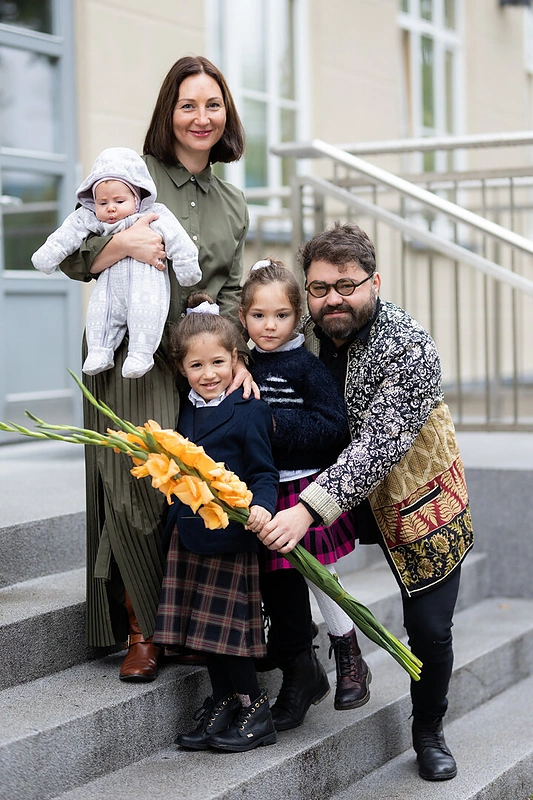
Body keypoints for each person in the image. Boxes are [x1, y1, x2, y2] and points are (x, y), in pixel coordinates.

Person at [258, 222, 474, 782]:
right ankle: (305, 669)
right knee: (278, 560)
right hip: (333, 485)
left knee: (429, 628)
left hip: (414, 496)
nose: (333, 298)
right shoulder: (300, 332)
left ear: (374, 282)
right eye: (320, 287)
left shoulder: (407, 344)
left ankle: (428, 729)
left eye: (346, 285)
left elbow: (379, 444)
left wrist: (305, 509)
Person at [58, 56, 250, 682]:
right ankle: (141, 629)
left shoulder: (232, 201)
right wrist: (124, 246)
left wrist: (235, 356)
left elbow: (230, 289)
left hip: (199, 363)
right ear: (168, 112)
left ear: (227, 115)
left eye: (212, 105)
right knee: (137, 487)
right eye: (188, 105)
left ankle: (185, 623)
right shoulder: (137, 179)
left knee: (190, 489)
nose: (201, 118)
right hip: (127, 361)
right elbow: (74, 249)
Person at [238, 258, 371, 727]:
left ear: (299, 317)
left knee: (319, 575)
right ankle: (298, 666)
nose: (269, 326)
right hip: (264, 488)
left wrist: (273, 424)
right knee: (277, 580)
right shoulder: (240, 364)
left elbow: (334, 428)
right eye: (258, 316)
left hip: (305, 488)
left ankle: (348, 650)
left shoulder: (306, 367)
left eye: (281, 316)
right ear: (242, 317)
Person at [154, 294, 279, 752]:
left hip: (229, 537)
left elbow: (264, 472)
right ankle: (224, 699)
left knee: (227, 632)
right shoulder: (184, 410)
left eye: (218, 363)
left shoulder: (249, 410)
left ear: (236, 361)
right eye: (197, 366)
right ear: (181, 369)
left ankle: (256, 708)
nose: (209, 375)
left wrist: (263, 506)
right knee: (202, 631)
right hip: (188, 535)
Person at [32, 147, 201, 379]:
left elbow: (177, 239)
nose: (111, 208)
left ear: (137, 197)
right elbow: (66, 235)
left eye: (119, 200)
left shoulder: (153, 214)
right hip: (110, 285)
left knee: (146, 312)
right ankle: (99, 350)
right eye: (102, 203)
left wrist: (186, 265)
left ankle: (140, 354)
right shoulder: (91, 218)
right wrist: (47, 255)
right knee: (100, 312)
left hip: (145, 283)